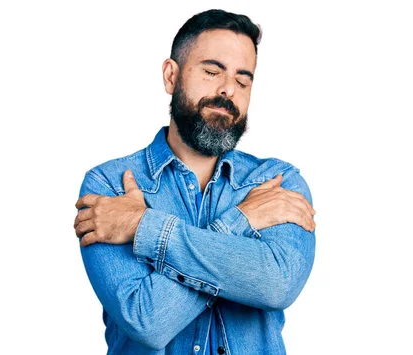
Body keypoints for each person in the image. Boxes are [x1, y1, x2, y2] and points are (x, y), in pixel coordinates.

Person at [74, 9, 316, 354]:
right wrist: (240, 222)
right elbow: (147, 319)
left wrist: (143, 225)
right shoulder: (109, 186)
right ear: (171, 76)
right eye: (211, 71)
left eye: (243, 80)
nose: (228, 89)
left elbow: (277, 286)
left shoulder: (277, 184)